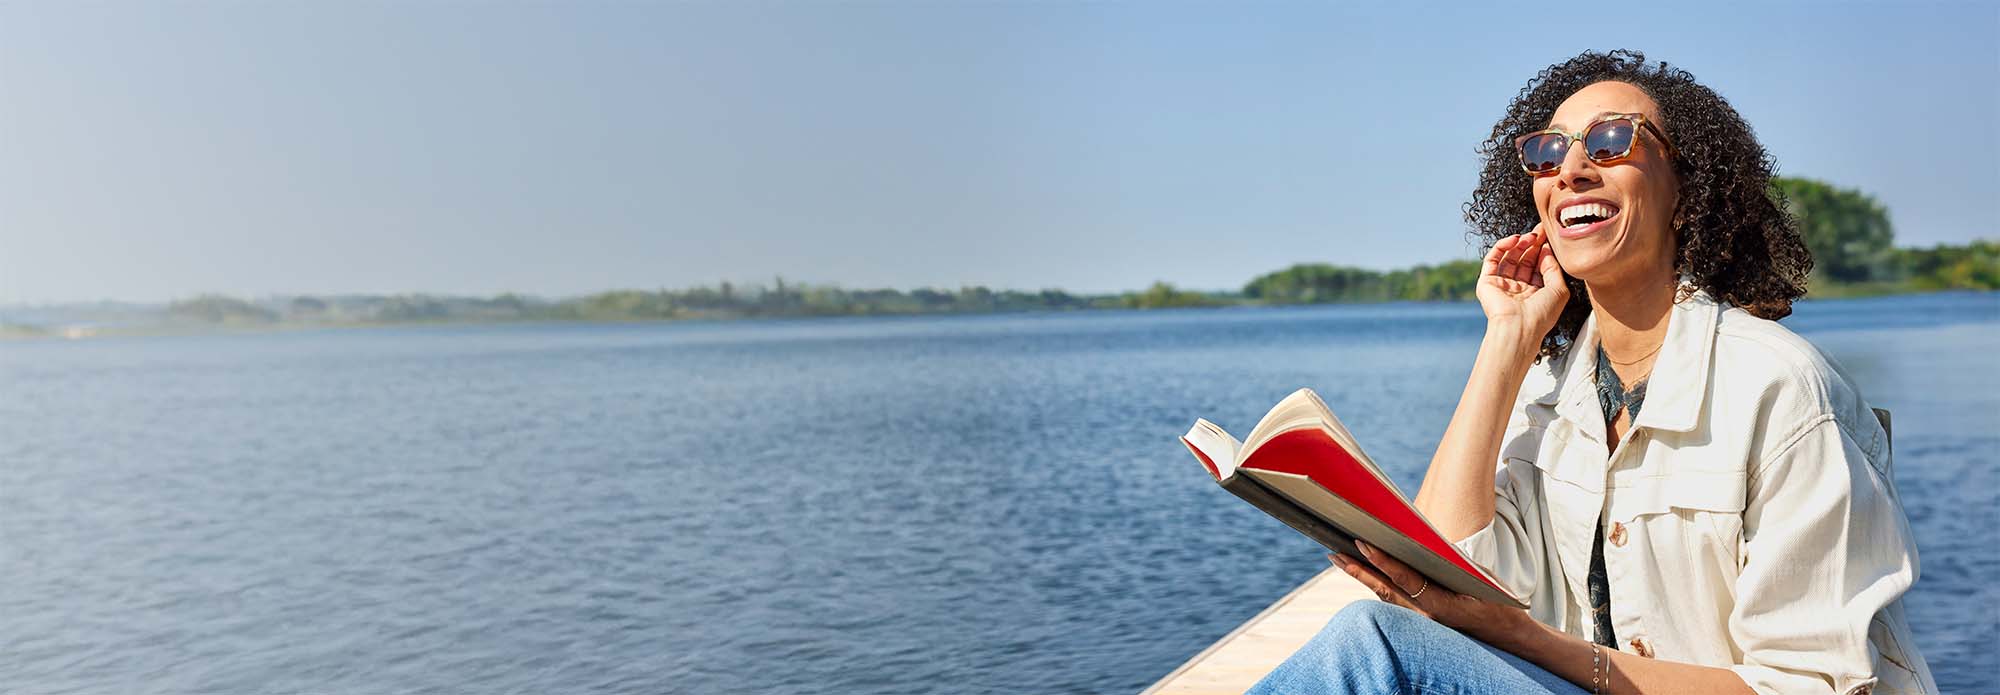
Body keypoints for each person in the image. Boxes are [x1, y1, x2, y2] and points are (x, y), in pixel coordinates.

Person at [1247, 50, 1934, 695]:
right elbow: (1450, 578)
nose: (1571, 168)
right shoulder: (1552, 388)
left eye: (1611, 142)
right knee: (1382, 639)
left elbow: (1805, 685)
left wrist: (1530, 639)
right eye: (1549, 152)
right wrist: (1508, 342)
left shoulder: (1783, 388)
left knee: (1372, 647)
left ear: (1685, 191)